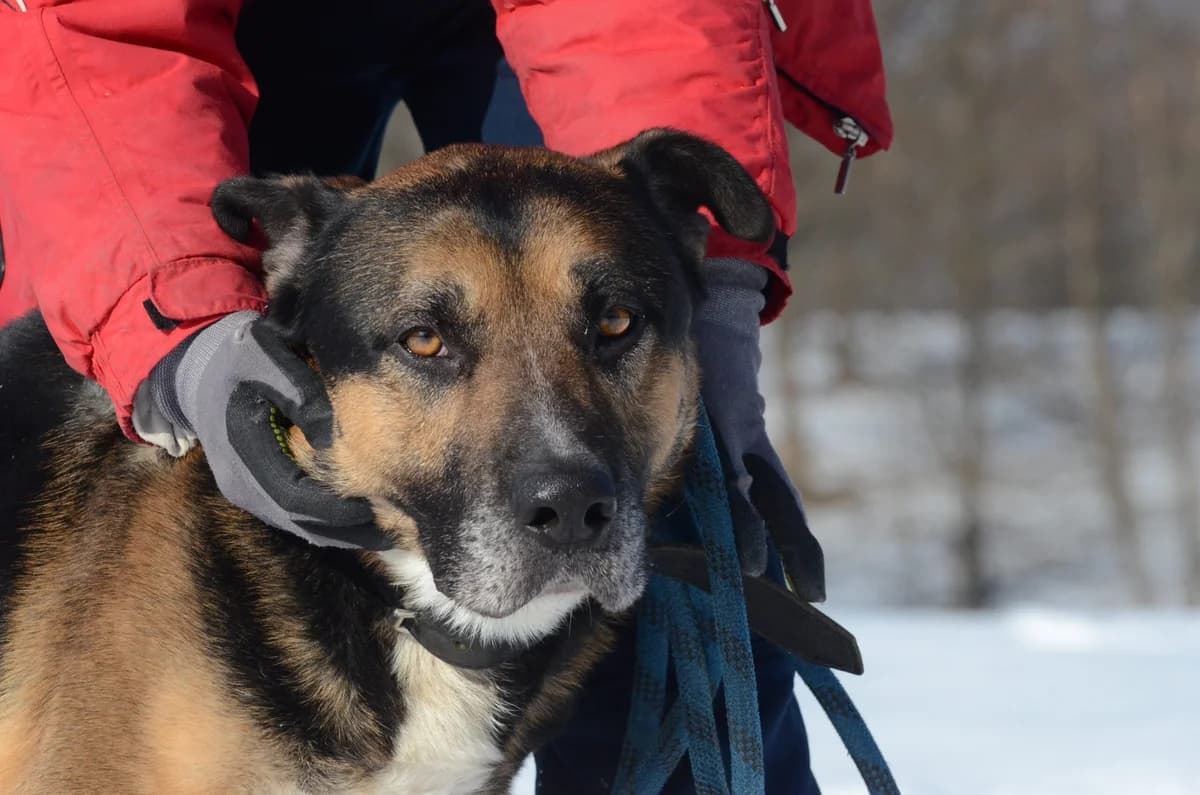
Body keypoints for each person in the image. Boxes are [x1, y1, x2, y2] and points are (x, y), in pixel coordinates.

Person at [0, 0, 892, 791]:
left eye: (611, 326)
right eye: (429, 343)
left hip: (595, 35)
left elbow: (645, 21)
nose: (559, 467)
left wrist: (720, 313)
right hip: (212, 41)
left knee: (684, 583)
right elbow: (100, 28)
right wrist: (180, 324)